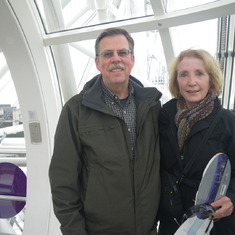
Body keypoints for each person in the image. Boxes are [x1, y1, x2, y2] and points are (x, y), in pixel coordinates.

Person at [49, 27, 162, 235]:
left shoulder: (152, 106)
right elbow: (62, 179)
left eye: (122, 52)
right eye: (107, 54)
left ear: (132, 59)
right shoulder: (76, 110)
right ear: (97, 62)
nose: (116, 59)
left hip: (148, 229)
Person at [157, 48, 235, 235]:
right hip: (174, 220)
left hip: (213, 222)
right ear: (177, 81)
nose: (191, 82)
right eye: (184, 75)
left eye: (199, 73)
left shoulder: (227, 122)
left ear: (211, 78)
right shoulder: (164, 118)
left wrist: (232, 198)